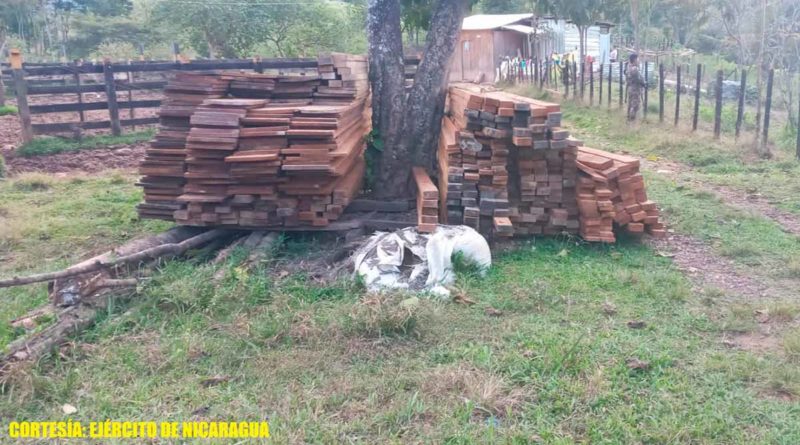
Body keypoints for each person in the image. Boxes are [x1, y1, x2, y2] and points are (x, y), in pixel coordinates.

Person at [626, 53, 646, 122]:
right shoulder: (634, 69)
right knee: (635, 105)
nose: (639, 60)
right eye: (638, 59)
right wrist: (643, 83)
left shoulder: (629, 67)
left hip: (631, 88)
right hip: (635, 89)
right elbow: (638, 79)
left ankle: (629, 118)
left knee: (631, 103)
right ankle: (631, 120)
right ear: (634, 60)